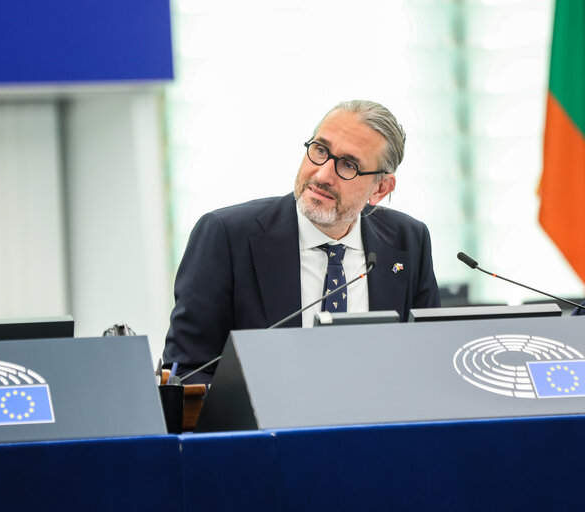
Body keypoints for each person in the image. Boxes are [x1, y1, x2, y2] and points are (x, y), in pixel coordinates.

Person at [163, 100, 440, 383]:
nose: (322, 175)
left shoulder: (409, 241)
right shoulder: (226, 236)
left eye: (348, 165)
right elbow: (184, 375)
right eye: (320, 150)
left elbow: (431, 365)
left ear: (380, 188)